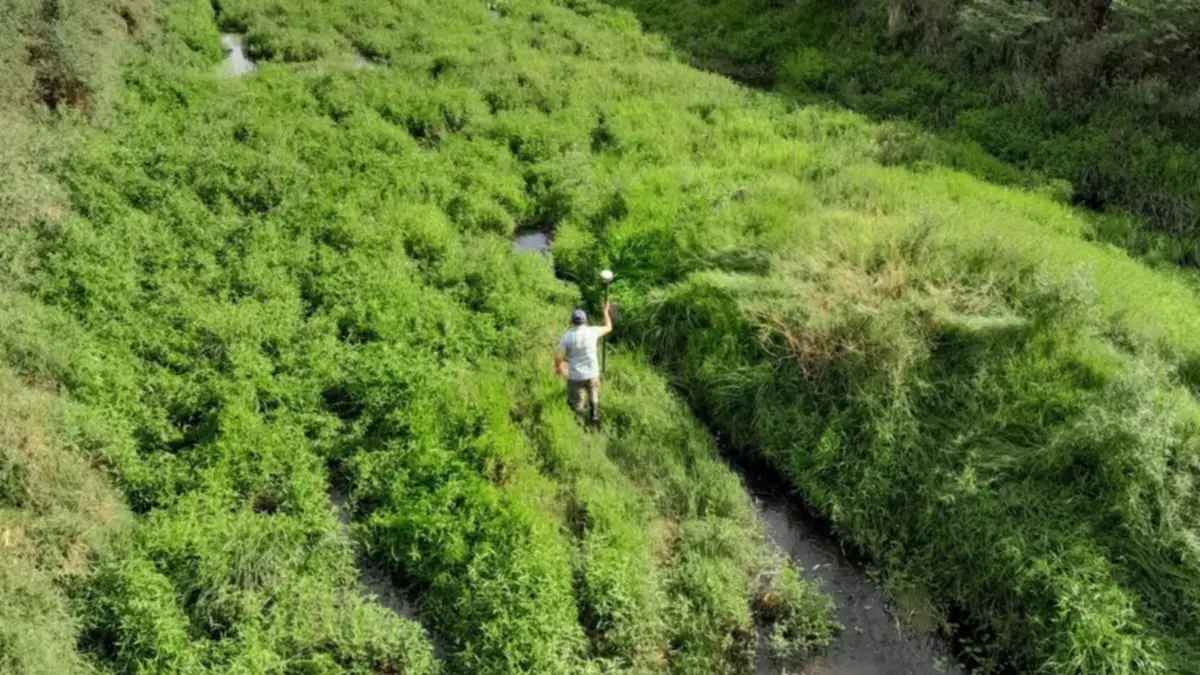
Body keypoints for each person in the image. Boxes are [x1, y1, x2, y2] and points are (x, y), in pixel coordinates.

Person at [554, 302, 612, 425]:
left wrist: (558, 367)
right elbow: (608, 327)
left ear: (571, 321)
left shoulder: (566, 337)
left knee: (577, 401)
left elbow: (558, 356)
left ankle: (579, 422)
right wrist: (605, 312)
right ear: (585, 321)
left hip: (576, 376)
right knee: (593, 391)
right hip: (592, 372)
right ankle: (594, 414)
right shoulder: (592, 331)